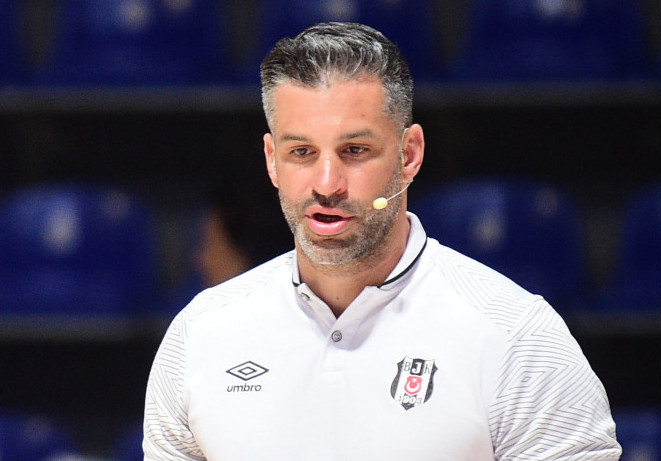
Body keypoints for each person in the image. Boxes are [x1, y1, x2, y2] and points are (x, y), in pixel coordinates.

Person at [143, 22, 621, 460]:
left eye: (355, 150)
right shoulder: (199, 336)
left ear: (409, 155)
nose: (326, 183)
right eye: (301, 152)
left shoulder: (518, 338)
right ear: (272, 160)